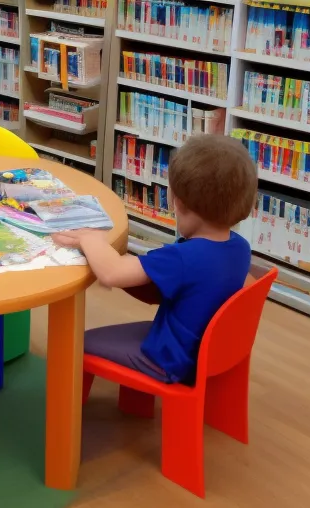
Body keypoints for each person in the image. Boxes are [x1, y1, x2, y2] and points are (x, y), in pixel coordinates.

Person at [52, 135, 258, 385]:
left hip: (169, 361)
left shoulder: (183, 258)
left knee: (78, 343)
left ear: (179, 204)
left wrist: (90, 239)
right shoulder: (240, 248)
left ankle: (66, 417)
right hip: (202, 354)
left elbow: (111, 273)